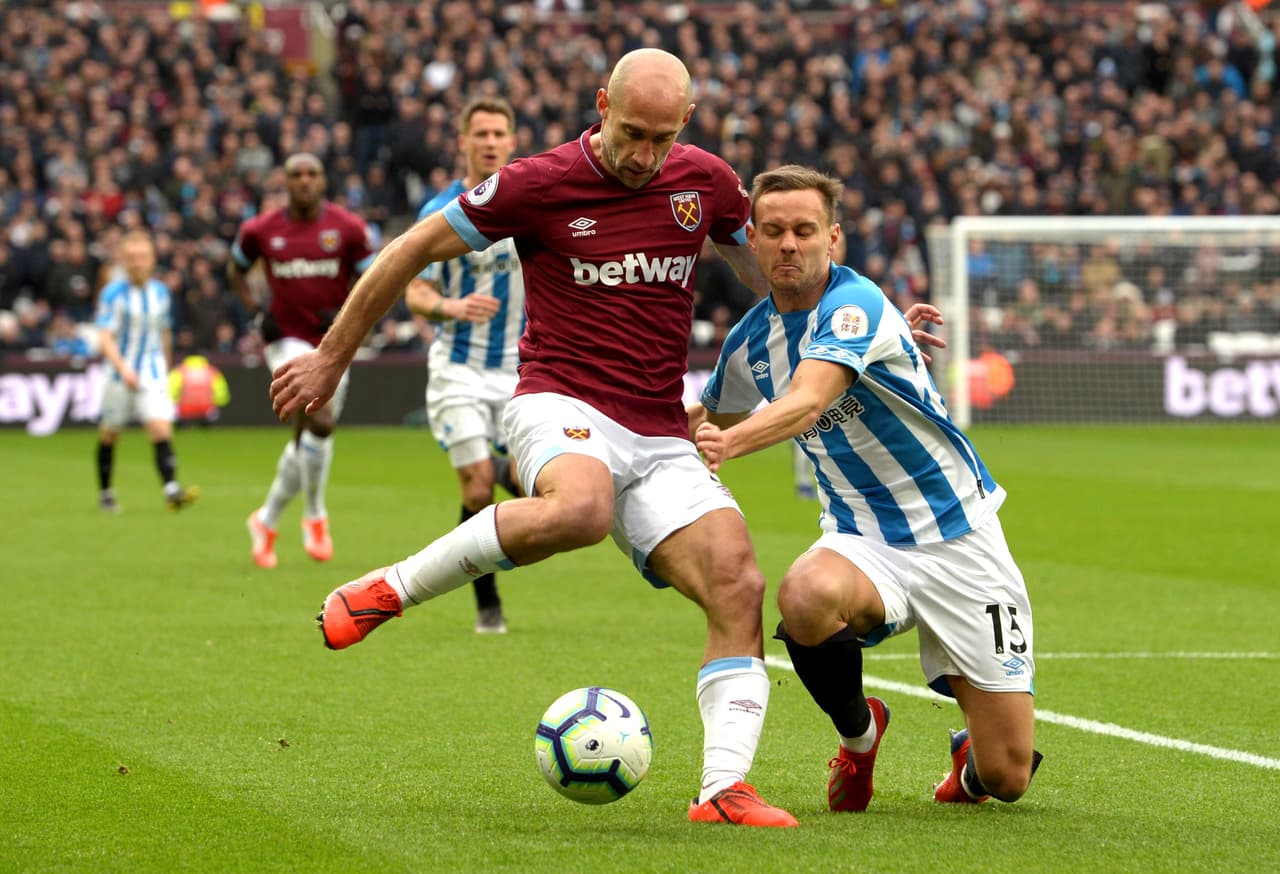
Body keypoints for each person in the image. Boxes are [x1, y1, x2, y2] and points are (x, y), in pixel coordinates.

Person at [270, 49, 799, 828]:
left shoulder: (708, 183)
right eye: (631, 133)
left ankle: (723, 789)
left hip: (659, 426)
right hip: (559, 399)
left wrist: (859, 319)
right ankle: (392, 587)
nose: (644, 155)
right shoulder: (537, 183)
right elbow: (410, 249)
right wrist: (331, 355)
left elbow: (770, 271)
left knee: (739, 581)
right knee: (579, 510)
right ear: (600, 105)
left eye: (661, 137)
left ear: (684, 124)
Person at [693, 165, 1042, 813]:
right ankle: (860, 738)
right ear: (753, 240)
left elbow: (808, 398)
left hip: (959, 536)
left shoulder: (857, 304)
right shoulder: (748, 345)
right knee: (802, 595)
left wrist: (729, 445)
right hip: (863, 541)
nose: (789, 244)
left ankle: (972, 757)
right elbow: (700, 423)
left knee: (1008, 777)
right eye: (773, 232)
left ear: (835, 240)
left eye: (804, 230)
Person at [404, 96, 526, 635]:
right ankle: (487, 603)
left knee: (535, 490)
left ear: (512, 141)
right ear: (463, 142)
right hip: (457, 368)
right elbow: (414, 288)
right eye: (480, 133)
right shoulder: (438, 212)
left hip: (522, 372)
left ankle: (505, 470)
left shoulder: (532, 205)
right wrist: (450, 307)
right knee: (476, 489)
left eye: (499, 132)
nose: (490, 141)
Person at [229, 152, 376, 568]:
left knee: (307, 437)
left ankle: (267, 519)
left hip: (333, 342)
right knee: (320, 419)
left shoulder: (348, 229)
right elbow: (235, 270)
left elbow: (372, 277)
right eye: (297, 175)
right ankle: (315, 514)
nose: (305, 181)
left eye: (312, 173)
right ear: (286, 182)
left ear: (324, 180)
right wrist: (257, 311)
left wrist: (350, 311)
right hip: (286, 342)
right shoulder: (260, 230)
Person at [93, 230, 199, 513]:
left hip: (152, 372)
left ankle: (171, 489)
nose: (138, 263)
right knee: (110, 434)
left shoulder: (161, 293)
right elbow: (104, 335)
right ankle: (105, 493)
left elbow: (164, 332)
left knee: (160, 427)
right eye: (132, 258)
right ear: (124, 261)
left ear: (152, 260)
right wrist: (122, 367)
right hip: (120, 374)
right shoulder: (113, 293)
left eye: (143, 257)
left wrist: (164, 366)